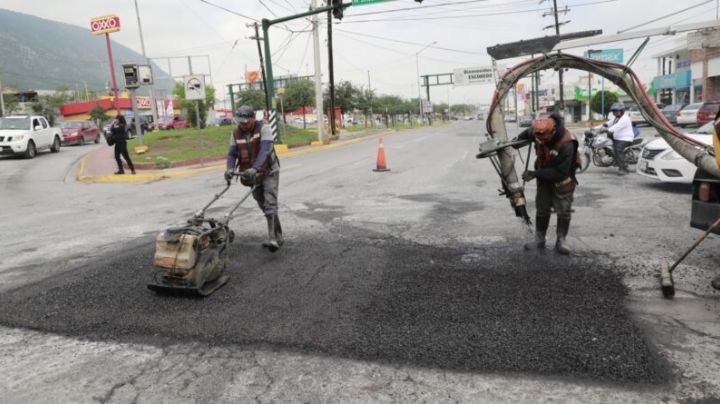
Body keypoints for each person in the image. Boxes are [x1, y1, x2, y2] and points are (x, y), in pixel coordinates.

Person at [515, 113, 580, 255]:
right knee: (542, 207)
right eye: (539, 138)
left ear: (554, 130)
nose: (542, 141)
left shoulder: (567, 143)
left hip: (562, 179)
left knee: (563, 210)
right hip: (544, 175)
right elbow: (527, 134)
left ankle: (561, 240)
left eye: (545, 138)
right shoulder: (538, 132)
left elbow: (560, 172)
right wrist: (516, 142)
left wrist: (534, 174)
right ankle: (539, 238)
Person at [224, 105, 282, 252]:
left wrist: (255, 168)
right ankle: (278, 235)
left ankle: (273, 239)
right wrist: (230, 169)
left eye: (245, 122)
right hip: (251, 174)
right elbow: (232, 154)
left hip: (269, 171)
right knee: (263, 204)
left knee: (270, 203)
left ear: (252, 118)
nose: (242, 125)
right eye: (240, 122)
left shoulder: (264, 128)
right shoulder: (236, 133)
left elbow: (265, 149)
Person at [604, 102, 634, 175]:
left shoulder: (625, 118)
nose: (614, 112)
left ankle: (623, 169)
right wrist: (596, 128)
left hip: (625, 138)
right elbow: (607, 124)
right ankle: (616, 162)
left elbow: (617, 127)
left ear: (621, 111)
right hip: (617, 138)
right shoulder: (616, 118)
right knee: (608, 147)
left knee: (618, 149)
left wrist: (608, 130)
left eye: (616, 111)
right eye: (613, 111)